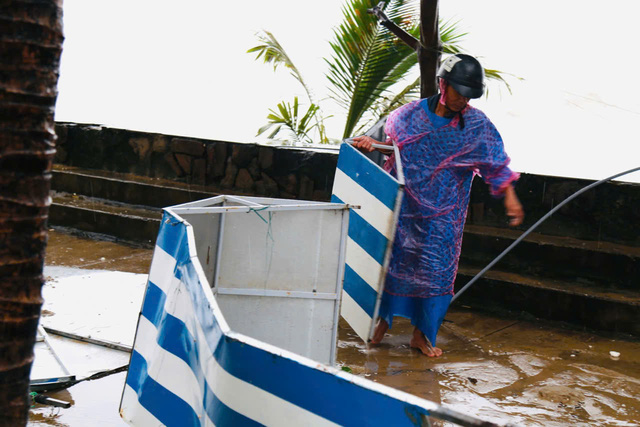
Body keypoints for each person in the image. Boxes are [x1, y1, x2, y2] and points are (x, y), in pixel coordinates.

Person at [352, 53, 524, 357]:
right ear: (442, 84)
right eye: (459, 92)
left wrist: (510, 197)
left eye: (470, 95)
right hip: (404, 211)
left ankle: (422, 335)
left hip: (444, 217)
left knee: (436, 273)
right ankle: (382, 324)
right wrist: (368, 143)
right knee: (393, 267)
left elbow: (495, 161)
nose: (463, 101)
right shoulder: (408, 116)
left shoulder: (475, 125)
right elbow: (390, 145)